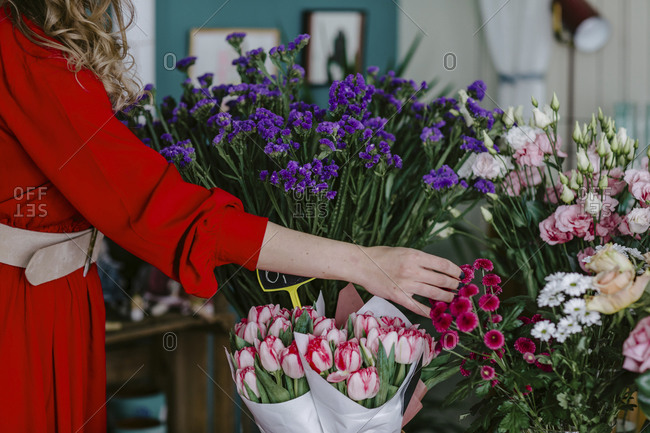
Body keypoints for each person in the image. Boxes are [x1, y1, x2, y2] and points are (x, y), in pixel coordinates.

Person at [0, 0, 462, 431]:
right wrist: (362, 262)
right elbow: (164, 210)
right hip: (23, 307)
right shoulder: (21, 49)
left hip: (58, 294)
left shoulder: (29, 35)